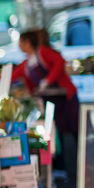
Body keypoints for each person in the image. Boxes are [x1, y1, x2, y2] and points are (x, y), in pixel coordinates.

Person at [12, 30, 80, 171]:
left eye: (21, 43)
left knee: (77, 130)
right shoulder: (26, 63)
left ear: (28, 43)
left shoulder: (42, 52)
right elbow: (12, 77)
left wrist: (48, 80)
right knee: (57, 134)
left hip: (66, 97)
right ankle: (61, 169)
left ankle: (87, 160)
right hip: (51, 102)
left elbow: (60, 62)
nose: (19, 46)